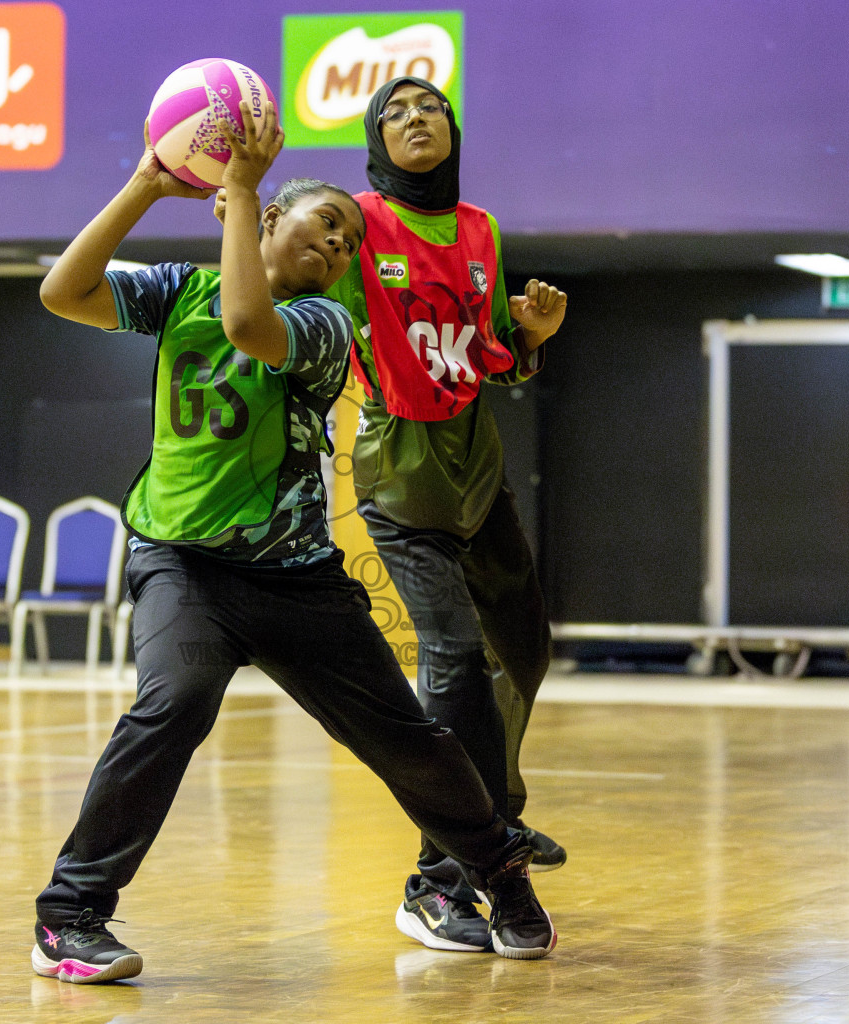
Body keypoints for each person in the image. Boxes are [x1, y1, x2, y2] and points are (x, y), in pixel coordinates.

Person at [31, 102, 556, 984]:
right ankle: (69, 917)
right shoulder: (175, 290)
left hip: (296, 579)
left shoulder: (326, 327)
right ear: (271, 221)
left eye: (349, 242)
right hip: (183, 565)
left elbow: (248, 325)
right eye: (327, 225)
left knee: (406, 739)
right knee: (171, 708)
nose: (340, 248)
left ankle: (496, 876)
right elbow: (62, 291)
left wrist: (238, 189)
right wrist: (144, 185)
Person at [323, 77, 569, 952]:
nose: (414, 118)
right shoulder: (354, 222)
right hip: (401, 472)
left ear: (453, 131)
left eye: (429, 107)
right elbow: (294, 284)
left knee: (523, 652)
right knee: (455, 660)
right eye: (392, 111)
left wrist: (529, 334)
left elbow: (493, 358)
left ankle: (492, 820)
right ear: (372, 140)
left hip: (479, 469)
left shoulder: (480, 229)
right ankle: (444, 876)